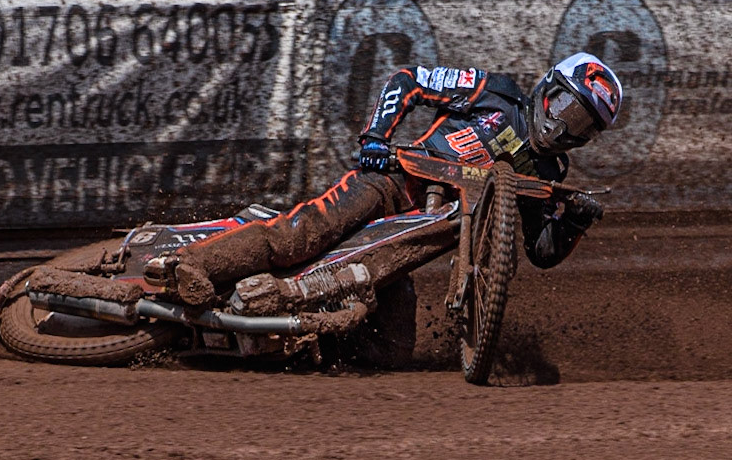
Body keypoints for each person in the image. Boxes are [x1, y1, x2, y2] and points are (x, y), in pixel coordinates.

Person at [152, 52, 622, 307]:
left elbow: (540, 252)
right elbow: (410, 78)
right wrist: (377, 136)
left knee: (388, 346)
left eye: (581, 125)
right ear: (548, 89)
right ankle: (197, 265)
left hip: (419, 241)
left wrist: (573, 224)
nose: (563, 127)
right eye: (565, 108)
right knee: (305, 236)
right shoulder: (495, 92)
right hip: (394, 182)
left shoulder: (547, 173)